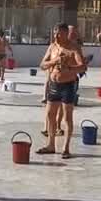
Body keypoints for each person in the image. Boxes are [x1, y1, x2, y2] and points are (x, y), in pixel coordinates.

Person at [38, 23, 85, 158]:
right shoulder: (52, 47)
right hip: (54, 84)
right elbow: (42, 65)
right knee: (49, 115)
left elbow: (82, 67)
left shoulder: (73, 48)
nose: (56, 36)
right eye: (54, 33)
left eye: (59, 33)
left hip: (68, 85)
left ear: (65, 34)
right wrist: (54, 61)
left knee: (67, 117)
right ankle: (51, 144)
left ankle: (66, 148)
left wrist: (69, 68)